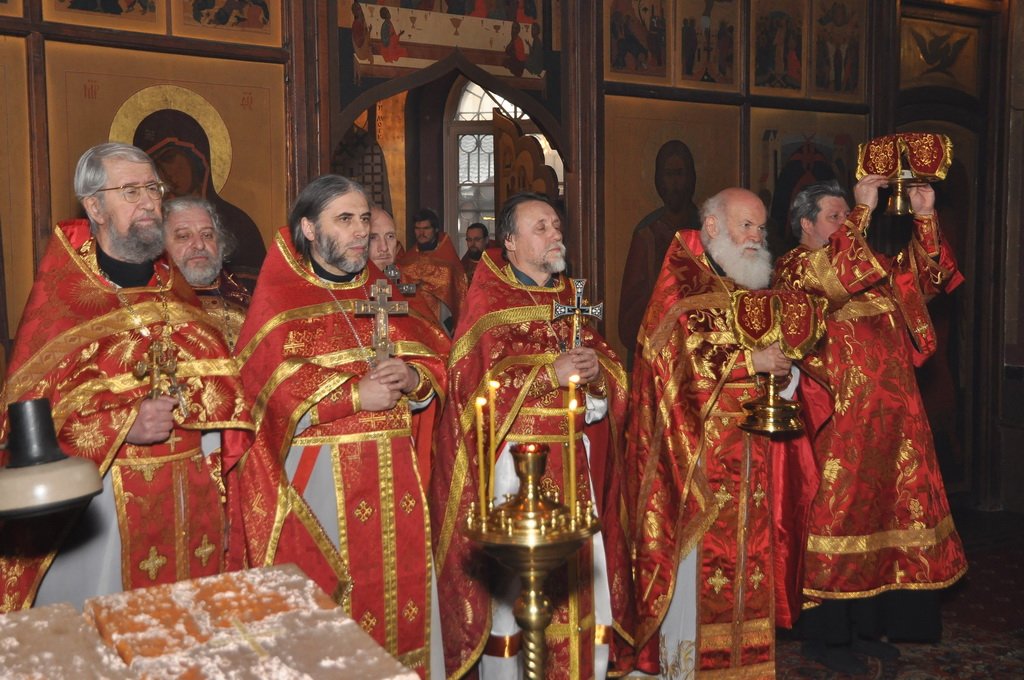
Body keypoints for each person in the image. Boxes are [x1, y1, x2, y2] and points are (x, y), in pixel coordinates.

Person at [0, 142, 252, 611]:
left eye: (153, 189)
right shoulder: (63, 306)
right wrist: (123, 423)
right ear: (95, 207)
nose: (149, 203)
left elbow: (227, 406)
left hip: (194, 504)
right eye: (131, 191)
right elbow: (27, 430)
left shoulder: (178, 295)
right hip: (101, 514)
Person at [226, 175, 449, 678]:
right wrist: (352, 396)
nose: (360, 231)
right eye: (344, 219)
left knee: (403, 611)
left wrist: (413, 378)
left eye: (364, 218)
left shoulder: (385, 293)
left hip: (398, 485)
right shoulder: (281, 302)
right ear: (308, 228)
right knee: (331, 627)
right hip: (320, 487)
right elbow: (261, 397)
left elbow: (437, 363)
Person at [431, 192, 636, 678]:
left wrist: (597, 375)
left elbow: (612, 378)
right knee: (514, 597)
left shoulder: (571, 300)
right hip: (512, 472)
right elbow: (469, 391)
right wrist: (548, 374)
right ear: (510, 241)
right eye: (540, 227)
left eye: (556, 226)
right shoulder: (489, 303)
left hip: (575, 466)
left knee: (582, 593)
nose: (554, 234)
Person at [775, 177, 968, 674]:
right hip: (839, 426)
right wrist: (861, 213)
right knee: (838, 522)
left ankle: (865, 628)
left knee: (881, 522)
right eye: (834, 217)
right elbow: (834, 279)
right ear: (805, 224)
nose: (845, 223)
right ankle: (826, 638)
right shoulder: (794, 268)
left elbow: (926, 280)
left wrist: (924, 216)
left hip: (893, 427)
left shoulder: (869, 264)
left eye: (848, 215)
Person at [627, 187, 799, 677]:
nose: (756, 237)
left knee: (749, 566)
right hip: (695, 462)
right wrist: (749, 362)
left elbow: (771, 361)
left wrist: (781, 370)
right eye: (746, 225)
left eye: (761, 227)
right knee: (699, 577)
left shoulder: (750, 288)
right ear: (713, 226)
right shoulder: (682, 284)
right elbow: (671, 367)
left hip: (751, 454)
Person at [619, 140, 699, 364]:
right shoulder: (646, 234)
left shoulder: (707, 228)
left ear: (691, 177)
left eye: (680, 173)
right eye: (668, 174)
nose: (674, 183)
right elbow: (630, 309)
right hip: (655, 351)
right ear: (658, 180)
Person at [163, 196, 251, 350]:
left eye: (207, 235)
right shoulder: (148, 306)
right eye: (183, 236)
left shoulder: (248, 302)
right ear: (160, 246)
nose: (199, 245)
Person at [396, 207, 468, 334]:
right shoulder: (407, 261)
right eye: (417, 228)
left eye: (426, 228)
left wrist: (426, 286)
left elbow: (457, 290)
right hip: (414, 318)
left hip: (441, 317)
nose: (421, 233)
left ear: (435, 230)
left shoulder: (447, 261)